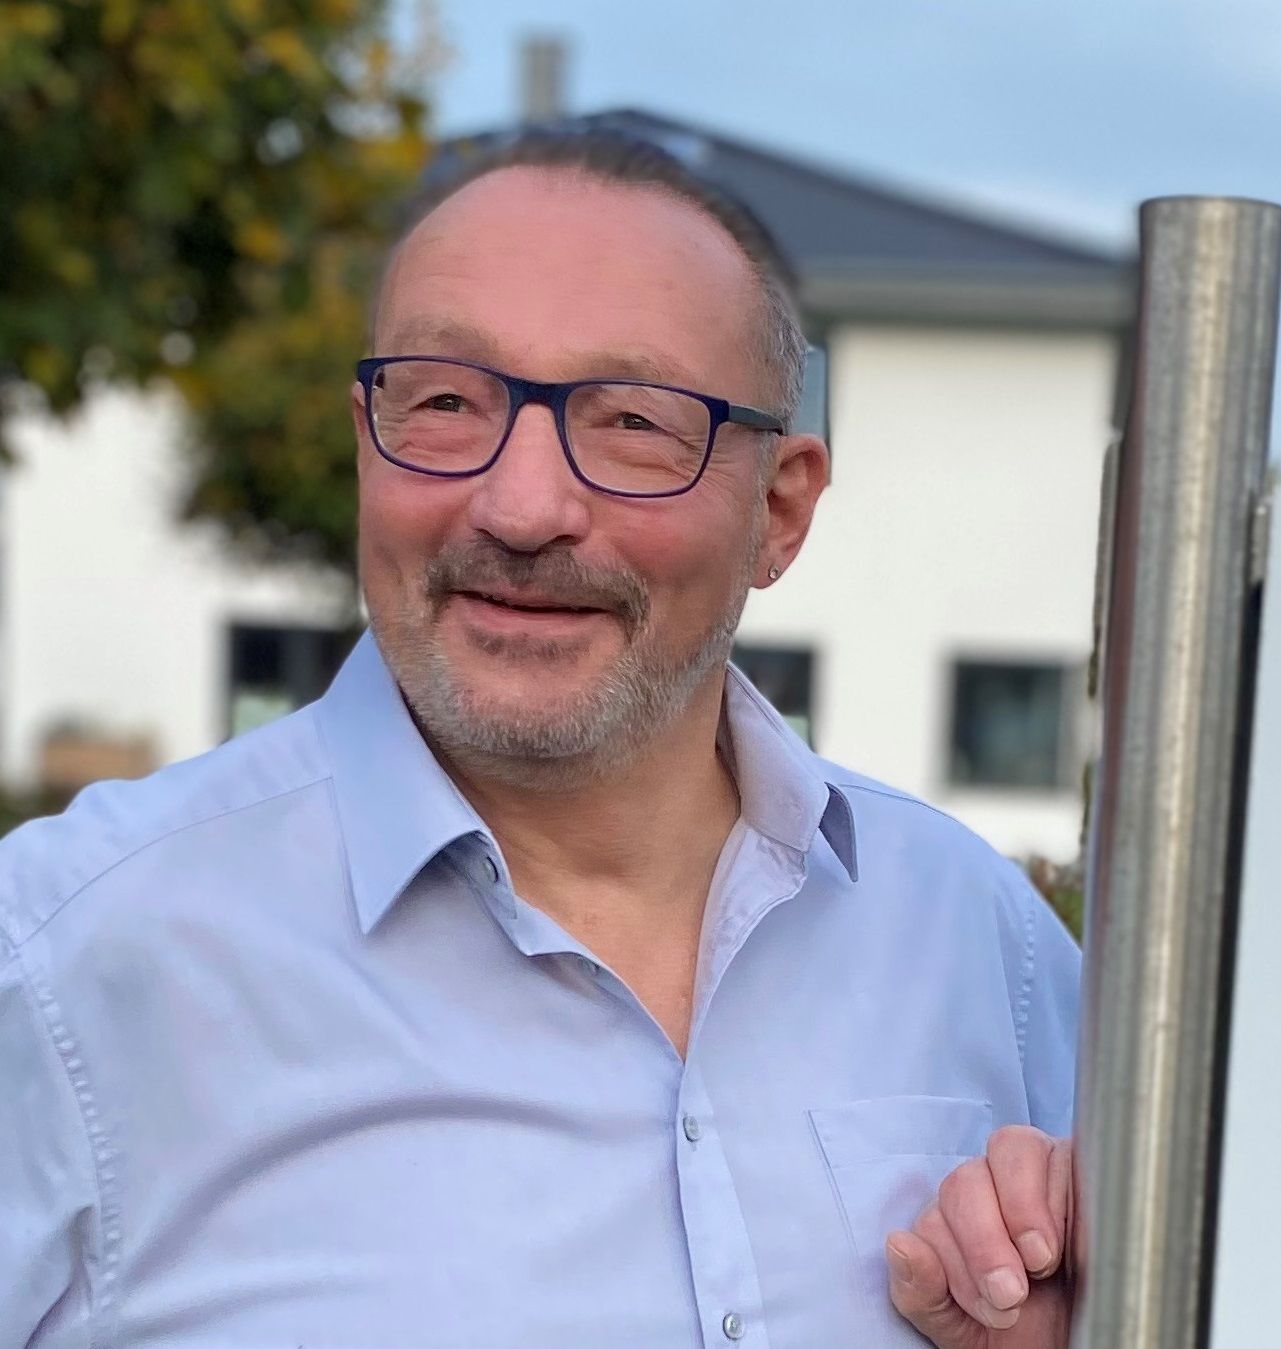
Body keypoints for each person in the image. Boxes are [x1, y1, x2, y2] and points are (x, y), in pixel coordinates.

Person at [0, 132, 1081, 1348]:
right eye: (448, 402)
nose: (520, 508)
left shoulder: (985, 947)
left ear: (780, 509)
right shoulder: (62, 967)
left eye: (631, 422)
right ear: (367, 439)